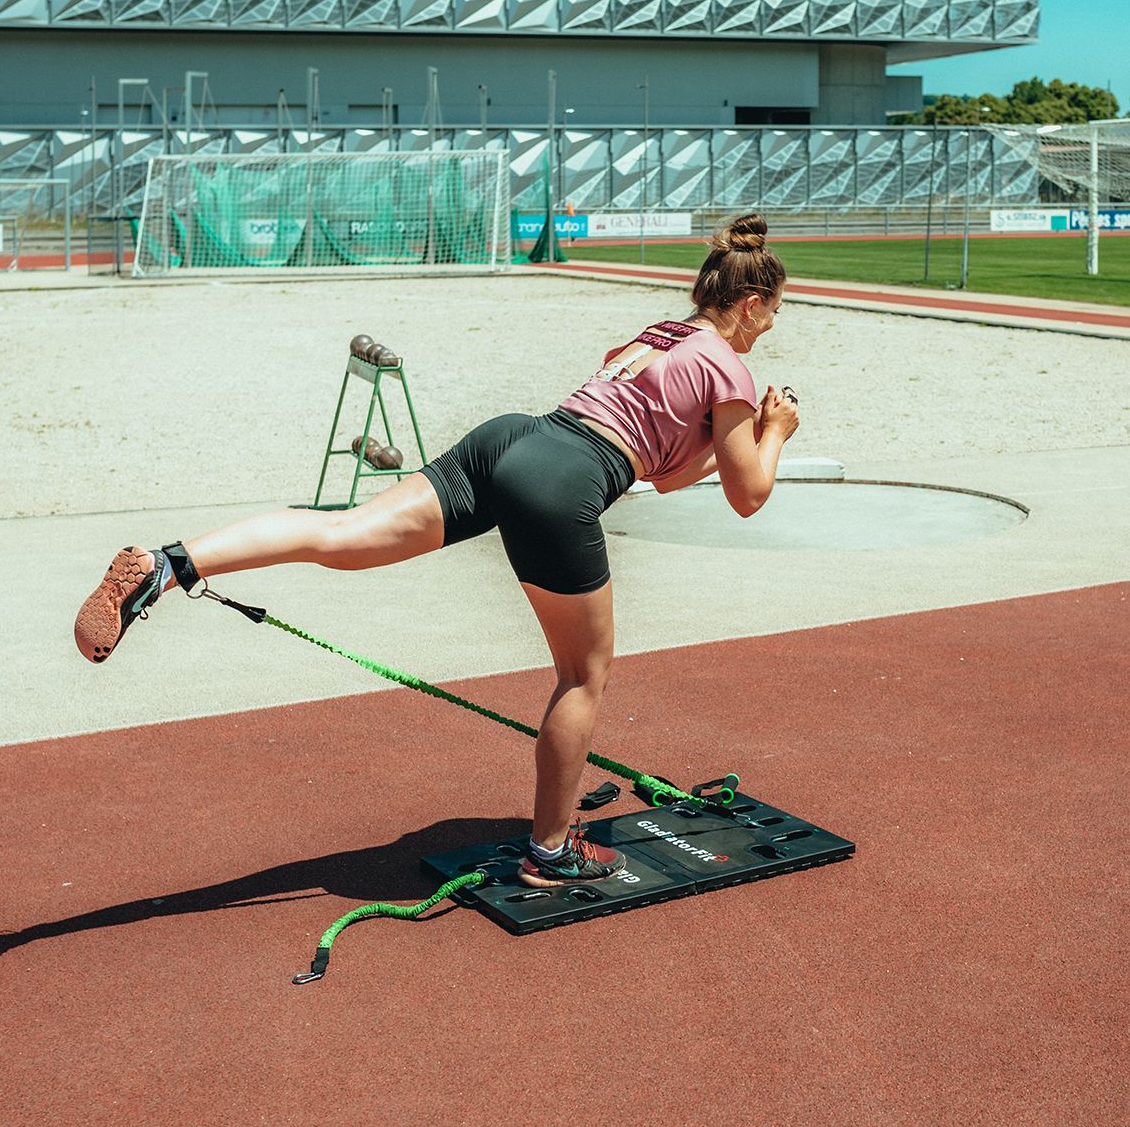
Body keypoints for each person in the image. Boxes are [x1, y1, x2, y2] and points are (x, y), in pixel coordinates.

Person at [74, 213, 799, 888]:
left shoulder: (660, 334)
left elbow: (664, 474)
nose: (769, 327)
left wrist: (726, 438)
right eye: (771, 313)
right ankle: (551, 850)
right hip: (561, 481)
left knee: (343, 534)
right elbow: (749, 494)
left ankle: (170, 564)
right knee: (584, 675)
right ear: (749, 305)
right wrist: (775, 431)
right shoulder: (727, 366)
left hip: (513, 439)